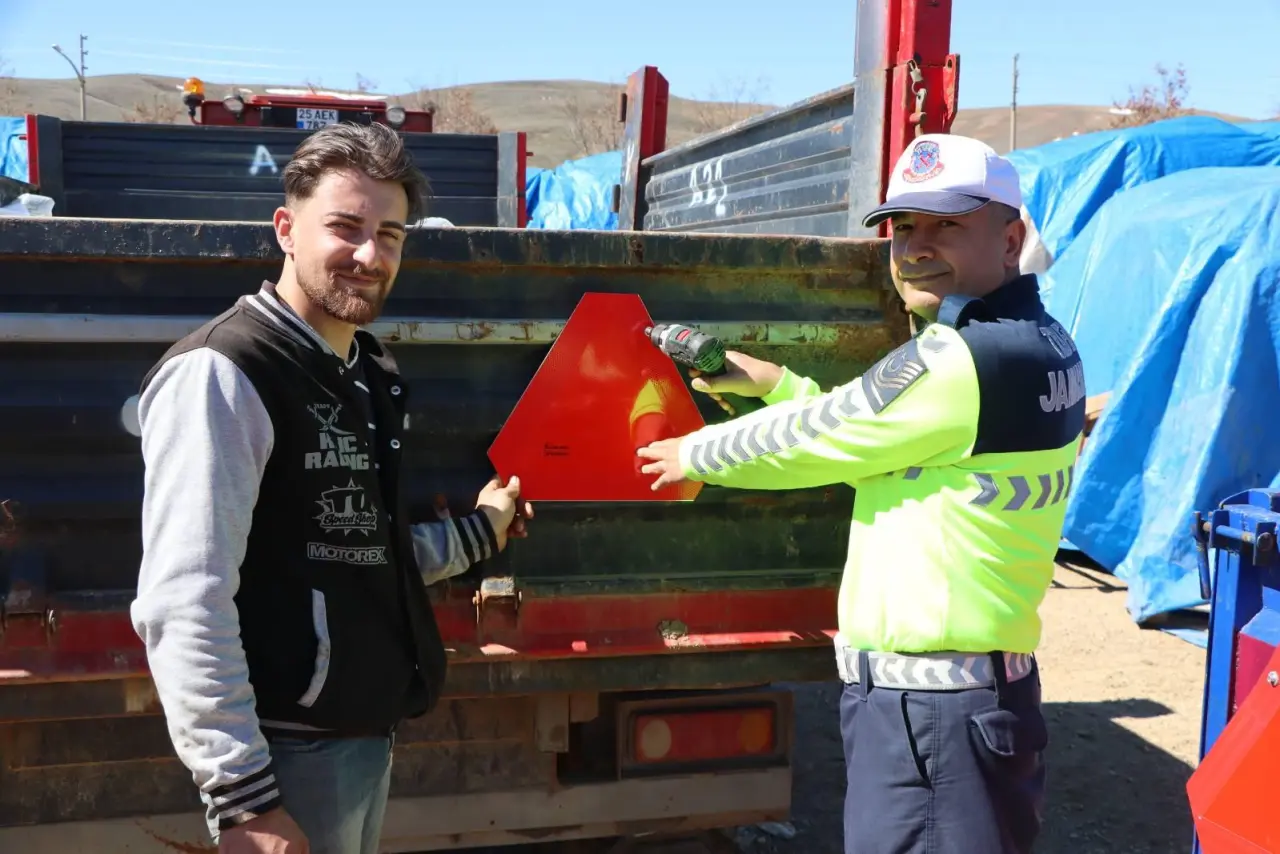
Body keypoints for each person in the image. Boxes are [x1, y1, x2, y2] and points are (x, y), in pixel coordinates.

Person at [637, 133, 1084, 854]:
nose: (915, 247)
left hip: (933, 721)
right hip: (968, 706)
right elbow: (884, 442)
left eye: (946, 226)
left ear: (1010, 239)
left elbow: (817, 438)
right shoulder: (1035, 340)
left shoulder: (960, 359)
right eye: (903, 227)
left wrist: (692, 452)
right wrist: (775, 385)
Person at [131, 121, 532, 854]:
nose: (369, 255)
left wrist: (481, 532)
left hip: (358, 739)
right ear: (286, 229)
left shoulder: (362, 373)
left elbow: (355, 549)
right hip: (287, 756)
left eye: (391, 234)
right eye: (344, 227)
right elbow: (184, 600)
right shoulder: (226, 373)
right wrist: (245, 799)